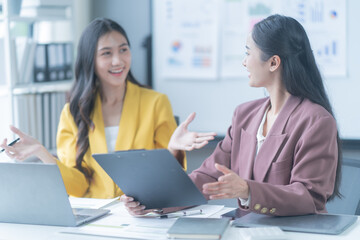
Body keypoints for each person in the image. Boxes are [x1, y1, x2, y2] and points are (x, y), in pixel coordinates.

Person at [123, 14, 342, 216]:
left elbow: (308, 198)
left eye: (248, 53)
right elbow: (208, 176)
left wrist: (247, 190)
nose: (244, 62)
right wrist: (152, 200)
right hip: (245, 231)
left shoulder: (316, 121)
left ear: (274, 63)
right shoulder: (244, 115)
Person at [0, 18, 216, 198]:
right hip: (96, 217)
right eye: (106, 53)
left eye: (123, 50)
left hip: (145, 211)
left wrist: (174, 149)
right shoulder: (72, 113)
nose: (118, 60)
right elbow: (77, 186)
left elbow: (170, 176)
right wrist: (42, 153)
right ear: (90, 60)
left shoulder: (155, 103)